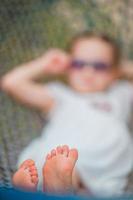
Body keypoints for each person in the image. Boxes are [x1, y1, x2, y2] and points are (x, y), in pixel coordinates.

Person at [1, 31, 133, 197]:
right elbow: (11, 83)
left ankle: (60, 183)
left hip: (104, 153)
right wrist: (44, 63)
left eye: (100, 66)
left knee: (71, 162)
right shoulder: (60, 95)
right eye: (79, 64)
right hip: (64, 146)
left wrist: (121, 67)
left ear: (114, 72)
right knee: (57, 157)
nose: (88, 72)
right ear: (68, 67)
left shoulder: (121, 93)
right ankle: (51, 183)